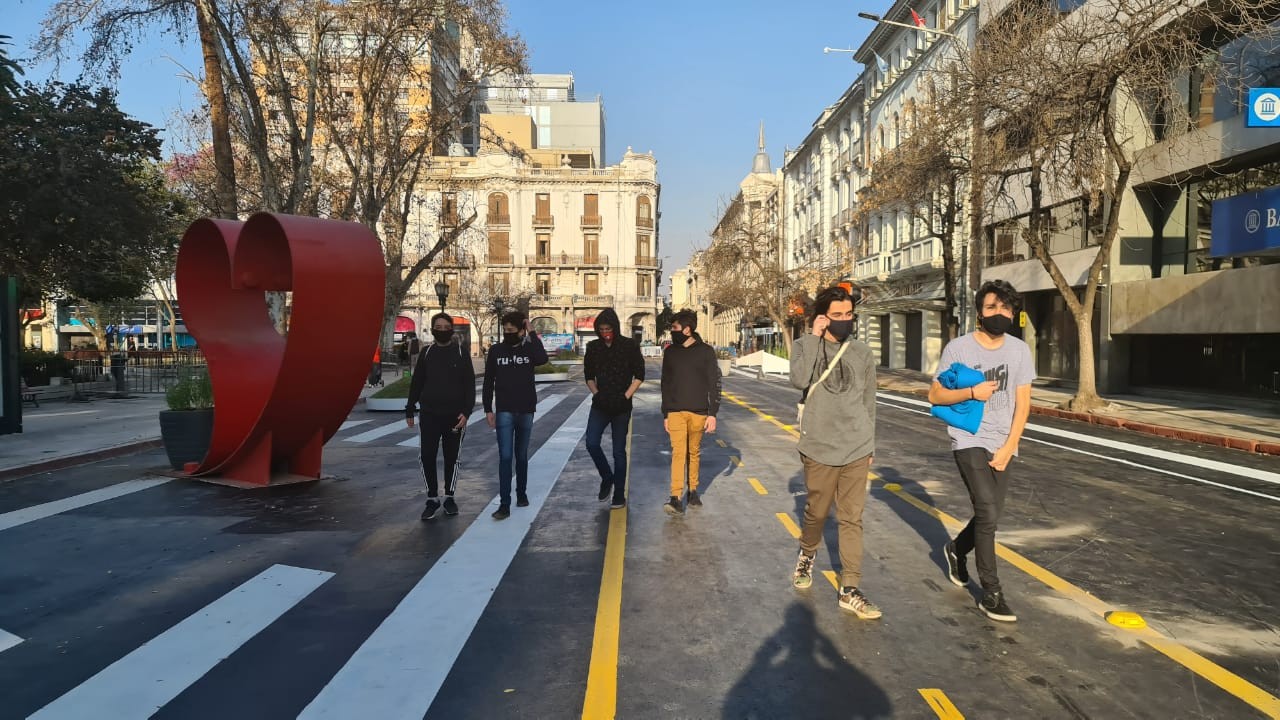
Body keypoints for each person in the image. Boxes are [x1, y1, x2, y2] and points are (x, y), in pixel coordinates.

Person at [930, 279, 1033, 623]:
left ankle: (956, 549)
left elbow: (1023, 405)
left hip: (1004, 442)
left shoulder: (1019, 350)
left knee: (991, 515)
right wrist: (972, 393)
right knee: (987, 511)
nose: (999, 314)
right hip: (969, 437)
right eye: (992, 307)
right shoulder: (958, 348)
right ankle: (992, 591)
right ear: (979, 312)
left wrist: (1010, 446)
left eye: (1005, 308)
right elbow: (936, 396)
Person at [789, 285, 881, 620]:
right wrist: (814, 337)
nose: (845, 321)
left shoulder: (862, 353)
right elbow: (798, 380)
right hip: (819, 446)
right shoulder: (804, 346)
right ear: (823, 317)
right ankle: (807, 552)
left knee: (851, 517)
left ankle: (850, 588)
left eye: (849, 315)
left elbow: (869, 400)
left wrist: (869, 443)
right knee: (817, 512)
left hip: (856, 446)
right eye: (837, 316)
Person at [405, 313, 475, 521]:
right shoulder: (427, 353)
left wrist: (467, 412)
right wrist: (410, 408)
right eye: (438, 326)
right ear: (432, 328)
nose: (442, 329)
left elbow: (469, 385)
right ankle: (432, 498)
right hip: (429, 415)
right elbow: (417, 383)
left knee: (452, 458)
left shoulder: (462, 353)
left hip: (455, 417)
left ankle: (450, 497)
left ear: (451, 329)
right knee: (427, 456)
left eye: (446, 326)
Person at [483, 311, 548, 520]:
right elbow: (488, 381)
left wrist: (531, 331)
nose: (508, 333)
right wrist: (487, 408)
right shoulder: (495, 351)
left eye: (513, 330)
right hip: (504, 410)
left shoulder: (529, 349)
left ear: (521, 330)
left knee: (521, 455)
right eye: (506, 330)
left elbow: (542, 358)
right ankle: (504, 504)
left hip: (526, 409)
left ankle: (521, 494)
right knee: (505, 456)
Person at [660, 309, 721, 515]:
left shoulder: (706, 352)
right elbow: (665, 384)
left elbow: (714, 383)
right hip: (675, 411)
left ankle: (693, 490)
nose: (672, 332)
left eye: (675, 328)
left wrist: (713, 413)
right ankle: (675, 496)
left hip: (699, 412)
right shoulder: (670, 352)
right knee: (678, 453)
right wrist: (666, 413)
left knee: (693, 452)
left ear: (687, 330)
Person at [583, 308, 645, 509]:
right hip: (600, 405)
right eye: (601, 329)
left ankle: (619, 494)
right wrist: (597, 394)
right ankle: (606, 477)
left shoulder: (629, 346)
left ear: (615, 328)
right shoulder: (593, 347)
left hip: (621, 406)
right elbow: (588, 376)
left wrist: (625, 396)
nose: (605, 332)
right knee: (591, 443)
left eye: (608, 328)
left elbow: (640, 375)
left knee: (619, 451)